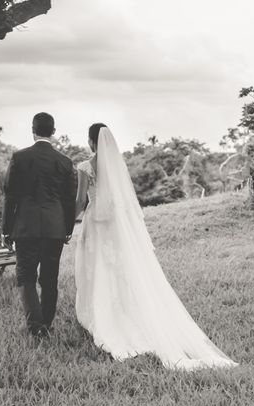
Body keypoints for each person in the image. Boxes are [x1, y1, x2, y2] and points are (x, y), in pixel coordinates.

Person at [74, 123, 237, 371]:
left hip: (96, 223)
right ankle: (125, 310)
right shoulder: (117, 165)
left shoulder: (85, 167)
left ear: (90, 141)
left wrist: (69, 220)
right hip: (117, 226)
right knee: (119, 268)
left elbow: (79, 200)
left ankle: (105, 316)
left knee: (98, 268)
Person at [2, 112, 76, 336]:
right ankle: (46, 322)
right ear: (53, 132)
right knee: (49, 277)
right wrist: (68, 229)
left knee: (25, 276)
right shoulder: (64, 161)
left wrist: (7, 229)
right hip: (54, 228)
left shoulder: (19, 158)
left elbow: (10, 196)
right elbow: (68, 200)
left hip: (25, 228)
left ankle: (36, 327)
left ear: (32, 130)